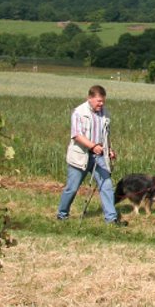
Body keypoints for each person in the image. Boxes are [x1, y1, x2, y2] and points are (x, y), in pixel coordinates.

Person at [56, 85, 122, 225]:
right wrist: (92, 146)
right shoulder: (79, 112)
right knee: (72, 188)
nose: (101, 104)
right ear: (90, 98)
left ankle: (111, 219)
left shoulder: (105, 114)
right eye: (98, 101)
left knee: (106, 185)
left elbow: (106, 135)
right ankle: (62, 215)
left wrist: (109, 150)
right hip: (81, 156)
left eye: (103, 101)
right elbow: (76, 135)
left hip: (99, 156)